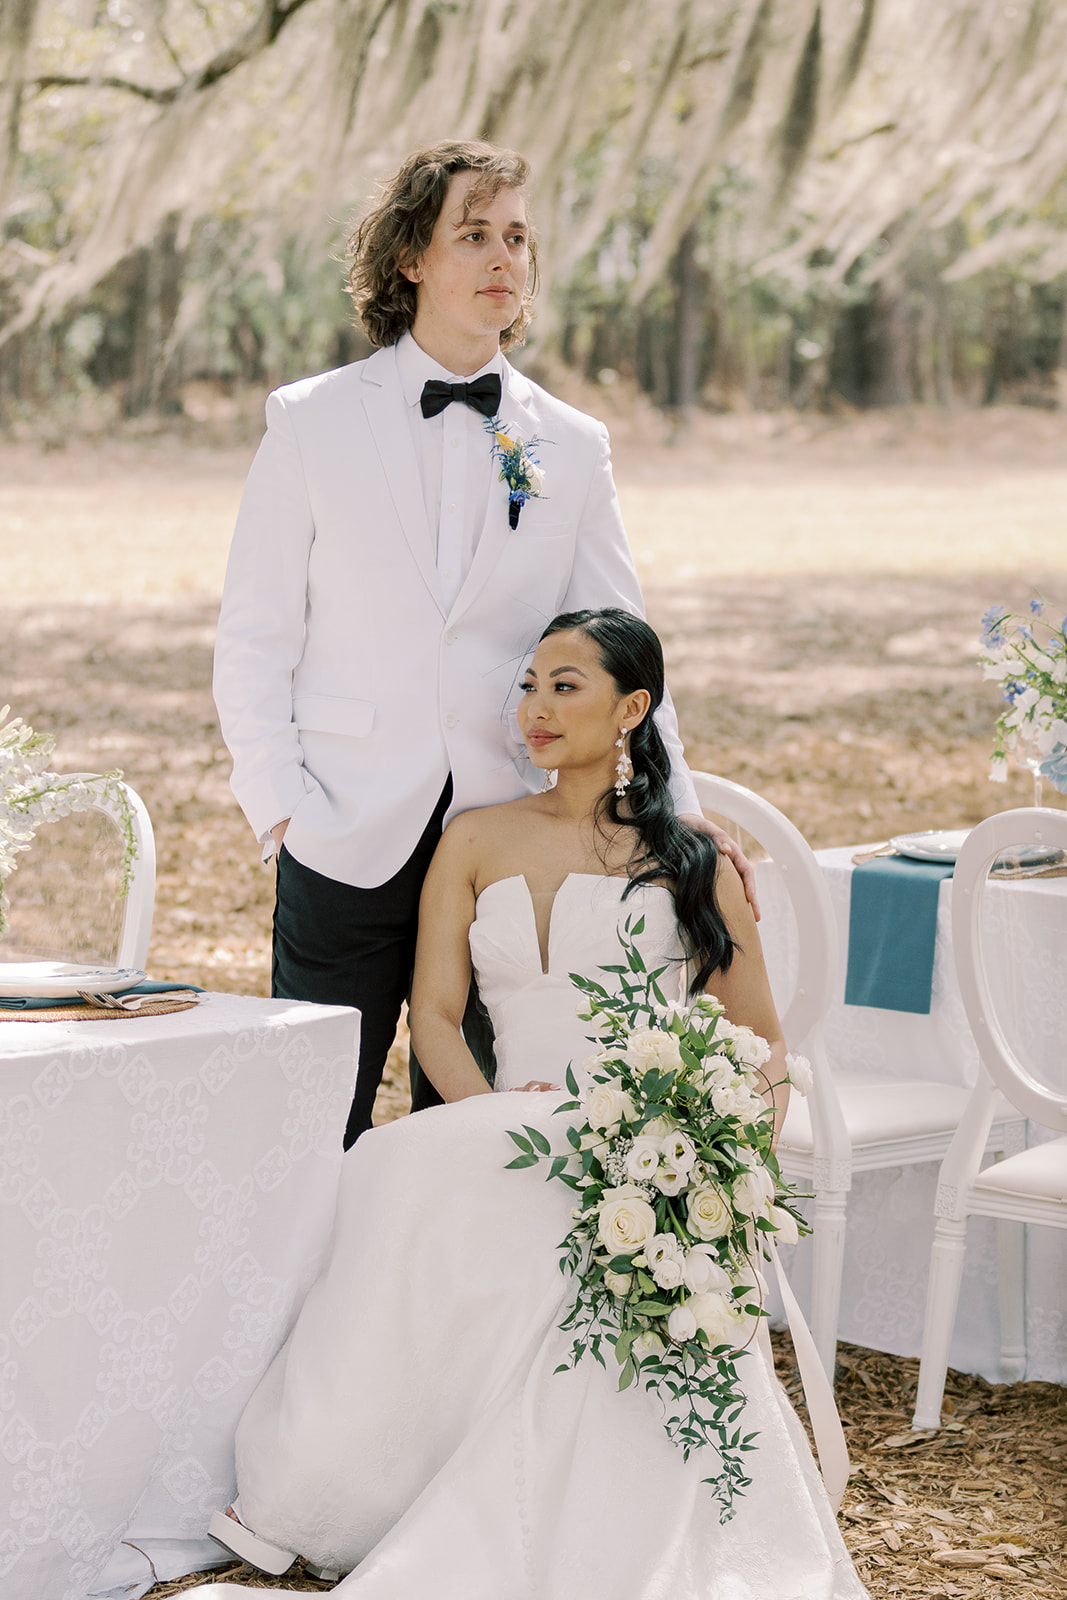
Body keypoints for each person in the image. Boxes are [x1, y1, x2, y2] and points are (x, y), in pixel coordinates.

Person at [193, 610, 868, 1600]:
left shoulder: (692, 862)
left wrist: (725, 1156)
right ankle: (356, 1484)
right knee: (401, 1173)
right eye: (528, 684)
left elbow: (760, 1040)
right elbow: (433, 1014)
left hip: (653, 1146)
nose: (534, 708)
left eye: (565, 685)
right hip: (510, 1117)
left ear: (632, 707)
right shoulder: (474, 837)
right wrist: (495, 1119)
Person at [212, 140, 755, 1145]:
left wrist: (675, 810)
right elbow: (251, 636)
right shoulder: (310, 422)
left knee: (484, 1135)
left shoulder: (569, 442)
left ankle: (449, 1308)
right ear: (410, 255)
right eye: (473, 235)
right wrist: (283, 810)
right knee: (303, 1131)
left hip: (513, 839)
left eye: (517, 237)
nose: (503, 258)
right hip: (342, 834)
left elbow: (626, 647)